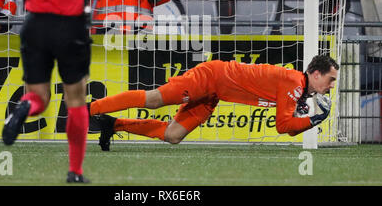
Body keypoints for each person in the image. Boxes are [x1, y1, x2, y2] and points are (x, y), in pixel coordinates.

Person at [0, 0, 116, 183]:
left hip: (36, 25)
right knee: (75, 99)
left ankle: (25, 107)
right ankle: (75, 172)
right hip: (70, 27)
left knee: (39, 96)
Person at [89, 54, 339, 151]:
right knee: (155, 100)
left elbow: (290, 128)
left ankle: (114, 125)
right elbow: (283, 126)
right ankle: (91, 109)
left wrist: (307, 119)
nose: (331, 85)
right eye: (330, 79)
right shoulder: (294, 83)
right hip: (210, 77)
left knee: (173, 135)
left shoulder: (299, 89)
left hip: (216, 93)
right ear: (315, 74)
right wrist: (314, 119)